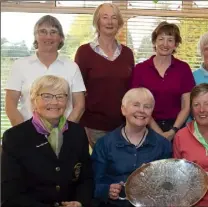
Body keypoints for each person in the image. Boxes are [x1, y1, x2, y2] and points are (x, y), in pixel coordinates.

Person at [1, 75, 93, 207]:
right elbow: (10, 194)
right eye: (47, 96)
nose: (54, 102)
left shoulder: (77, 133)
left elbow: (86, 178)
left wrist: (80, 202)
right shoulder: (14, 137)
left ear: (67, 102)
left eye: (61, 96)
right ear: (34, 100)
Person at [91, 87, 172, 207]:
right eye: (136, 105)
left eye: (147, 106)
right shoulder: (104, 144)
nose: (141, 110)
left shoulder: (163, 145)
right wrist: (107, 190)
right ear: (123, 110)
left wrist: (154, 182)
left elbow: (169, 187)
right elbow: (92, 183)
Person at [5, 15, 85, 127]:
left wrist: (63, 132)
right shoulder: (19, 66)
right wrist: (23, 132)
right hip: (28, 134)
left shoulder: (72, 67)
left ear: (61, 38)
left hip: (63, 135)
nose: (48, 37)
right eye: (43, 31)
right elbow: (10, 105)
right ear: (36, 36)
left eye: (53, 32)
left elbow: (79, 106)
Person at [75, 3, 135, 148]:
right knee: (98, 167)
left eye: (114, 18)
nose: (109, 22)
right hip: (93, 126)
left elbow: (131, 90)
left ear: (119, 23)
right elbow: (77, 91)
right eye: (105, 17)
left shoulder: (127, 54)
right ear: (97, 22)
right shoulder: (84, 52)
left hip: (123, 126)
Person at [130, 21, 195, 141]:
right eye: (161, 39)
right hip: (146, 127)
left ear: (175, 44)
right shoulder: (140, 69)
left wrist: (173, 131)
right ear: (154, 42)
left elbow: (186, 106)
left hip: (176, 129)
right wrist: (158, 133)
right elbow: (139, 106)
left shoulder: (183, 68)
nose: (165, 44)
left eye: (170, 40)